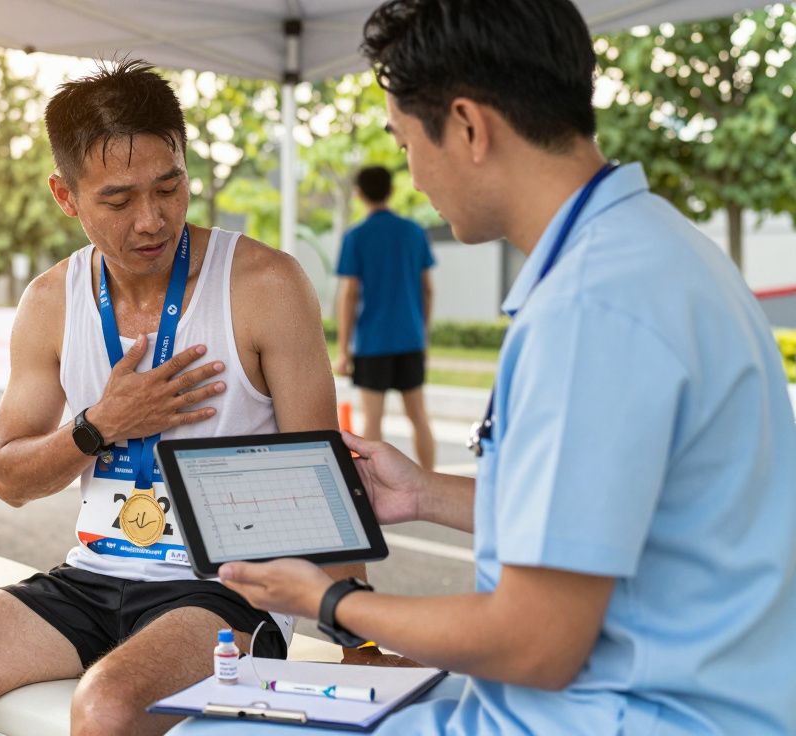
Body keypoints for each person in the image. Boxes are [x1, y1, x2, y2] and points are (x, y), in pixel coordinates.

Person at [184, 1, 796, 735]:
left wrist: (325, 600)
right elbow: (609, 515)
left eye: (406, 142)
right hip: (693, 697)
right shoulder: (655, 248)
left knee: (213, 726)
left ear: (470, 128)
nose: (412, 174)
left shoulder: (589, 308)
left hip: (621, 714)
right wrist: (426, 495)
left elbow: (536, 644)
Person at [0, 60, 362, 736]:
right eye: (118, 200)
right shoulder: (50, 301)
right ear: (66, 196)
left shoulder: (265, 283)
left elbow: (322, 485)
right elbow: (8, 477)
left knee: (106, 707)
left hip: (224, 588)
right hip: (89, 576)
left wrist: (358, 639)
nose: (152, 219)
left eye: (169, 186)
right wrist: (97, 426)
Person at [334, 165, 436, 470]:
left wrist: (342, 350)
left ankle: (374, 488)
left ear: (359, 194)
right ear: (391, 191)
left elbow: (350, 295)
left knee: (373, 422)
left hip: (372, 343)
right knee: (418, 416)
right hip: (410, 339)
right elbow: (427, 289)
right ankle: (430, 477)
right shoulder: (414, 232)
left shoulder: (356, 236)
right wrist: (423, 334)